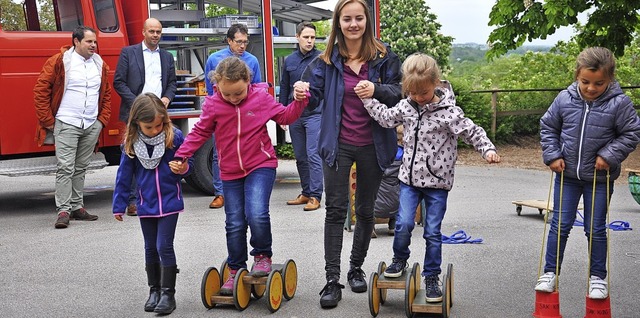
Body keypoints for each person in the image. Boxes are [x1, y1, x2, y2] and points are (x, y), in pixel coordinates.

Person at [362, 52, 500, 302]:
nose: (418, 98)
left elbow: (472, 131)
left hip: (437, 183)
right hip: (409, 180)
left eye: (423, 93)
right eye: (413, 93)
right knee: (403, 224)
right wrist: (369, 100)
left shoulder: (449, 112)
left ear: (436, 83)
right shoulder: (407, 106)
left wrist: (487, 149)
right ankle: (399, 260)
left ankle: (432, 276)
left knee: (432, 232)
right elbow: (385, 118)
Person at [173, 57, 309, 295]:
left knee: (256, 213)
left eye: (238, 93)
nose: (233, 99)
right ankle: (235, 268)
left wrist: (300, 100)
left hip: (260, 164)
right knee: (234, 222)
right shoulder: (214, 104)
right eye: (227, 94)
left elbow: (286, 117)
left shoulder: (260, 98)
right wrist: (182, 155)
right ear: (218, 87)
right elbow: (200, 132)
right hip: (229, 170)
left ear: (248, 81)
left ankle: (262, 256)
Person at [300, 0, 403, 308]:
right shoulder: (326, 60)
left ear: (366, 22)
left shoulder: (384, 57)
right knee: (334, 211)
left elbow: (400, 91)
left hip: (373, 144)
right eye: (347, 19)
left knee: (367, 210)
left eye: (359, 18)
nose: (353, 24)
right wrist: (302, 92)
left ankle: (356, 268)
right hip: (338, 144)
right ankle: (332, 281)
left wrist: (377, 90)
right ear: (338, 23)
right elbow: (313, 94)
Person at [534, 47, 640, 299]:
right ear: (577, 77)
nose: (591, 88)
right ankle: (549, 273)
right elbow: (548, 126)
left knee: (595, 228)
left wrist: (609, 155)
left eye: (598, 83)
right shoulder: (564, 98)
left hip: (599, 180)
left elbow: (631, 133)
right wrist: (553, 155)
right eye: (585, 82)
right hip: (567, 177)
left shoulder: (619, 103)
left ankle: (598, 278)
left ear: (610, 79)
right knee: (559, 225)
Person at [112, 93, 191, 315]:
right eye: (149, 127)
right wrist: (119, 204)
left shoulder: (173, 137)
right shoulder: (131, 142)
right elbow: (123, 176)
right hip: (145, 204)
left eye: (159, 125)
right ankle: (154, 290)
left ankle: (168, 294)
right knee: (149, 248)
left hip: (169, 203)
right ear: (137, 123)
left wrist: (183, 168)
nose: (155, 130)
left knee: (163, 246)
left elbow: (189, 162)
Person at [33, 25, 111, 229]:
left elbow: (106, 93)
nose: (93, 45)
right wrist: (49, 122)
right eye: (89, 41)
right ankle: (63, 210)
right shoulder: (60, 61)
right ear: (76, 41)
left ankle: (77, 207)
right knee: (65, 168)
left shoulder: (99, 64)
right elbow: (40, 91)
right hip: (66, 122)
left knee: (81, 168)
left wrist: (101, 121)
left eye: (95, 41)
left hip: (91, 124)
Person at [113, 17, 177, 217]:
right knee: (134, 156)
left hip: (159, 115)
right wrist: (138, 105)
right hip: (136, 114)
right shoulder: (128, 53)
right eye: (152, 31)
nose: (155, 35)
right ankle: (133, 201)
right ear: (143, 32)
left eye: (158, 32)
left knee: (158, 155)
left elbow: (172, 83)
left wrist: (167, 97)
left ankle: (156, 198)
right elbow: (119, 82)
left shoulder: (166, 57)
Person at [203, 23, 263, 210]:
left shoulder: (252, 60)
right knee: (219, 153)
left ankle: (244, 190)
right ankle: (220, 193)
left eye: (245, 42)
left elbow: (257, 88)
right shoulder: (214, 59)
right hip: (222, 114)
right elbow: (209, 89)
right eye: (238, 42)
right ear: (229, 41)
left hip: (245, 114)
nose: (242, 46)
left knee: (246, 149)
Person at [280, 22, 323, 211]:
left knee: (313, 154)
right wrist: (282, 114)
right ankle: (306, 192)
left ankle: (315, 195)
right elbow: (284, 87)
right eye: (306, 37)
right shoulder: (289, 61)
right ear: (297, 37)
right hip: (295, 115)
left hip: (315, 114)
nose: (310, 41)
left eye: (313, 37)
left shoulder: (322, 58)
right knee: (301, 156)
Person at [372, 126, 404, 237]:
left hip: (376, 204)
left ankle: (371, 227)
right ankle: (393, 226)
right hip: (395, 203)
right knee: (400, 192)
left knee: (370, 197)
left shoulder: (381, 152)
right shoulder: (404, 155)